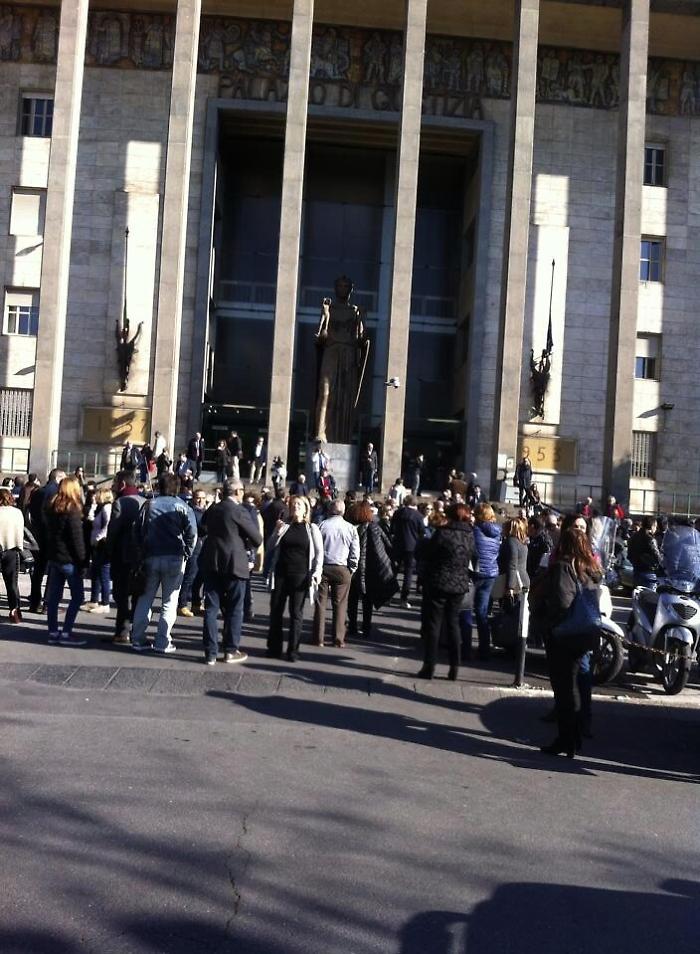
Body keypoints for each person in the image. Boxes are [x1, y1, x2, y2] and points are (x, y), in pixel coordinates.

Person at [529, 527, 602, 759]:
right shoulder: (591, 568)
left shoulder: (564, 566)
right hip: (584, 632)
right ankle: (573, 737)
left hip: (564, 633)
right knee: (574, 685)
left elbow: (562, 601)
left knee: (564, 689)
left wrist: (548, 624)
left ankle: (566, 739)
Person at [130, 473, 198, 654]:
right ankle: (162, 640)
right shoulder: (183, 507)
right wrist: (187, 553)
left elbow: (136, 530)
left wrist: (140, 551)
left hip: (151, 555)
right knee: (169, 601)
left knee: (145, 598)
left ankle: (137, 637)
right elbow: (192, 533)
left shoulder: (149, 504)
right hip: (175, 557)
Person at [198, 479, 263, 666]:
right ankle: (230, 650)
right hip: (235, 563)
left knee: (211, 608)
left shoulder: (214, 509)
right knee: (235, 608)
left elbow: (203, 527)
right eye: (241, 490)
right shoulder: (239, 510)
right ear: (236, 492)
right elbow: (257, 538)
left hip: (212, 561)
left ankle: (210, 652)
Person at [417, 503, 474, 680]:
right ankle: (454, 666)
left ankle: (429, 666)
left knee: (434, 624)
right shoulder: (469, 535)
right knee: (453, 623)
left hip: (439, 581)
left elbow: (428, 553)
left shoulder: (443, 533)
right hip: (459, 584)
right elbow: (473, 555)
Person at [266, 496, 323, 661]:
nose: (295, 507)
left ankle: (293, 650)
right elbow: (270, 547)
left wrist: (316, 572)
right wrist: (276, 532)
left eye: (298, 504)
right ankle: (274, 648)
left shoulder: (311, 529)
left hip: (300, 576)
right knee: (276, 611)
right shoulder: (284, 526)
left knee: (296, 613)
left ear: (306, 509)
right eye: (293, 505)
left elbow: (319, 554)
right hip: (281, 574)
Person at [44, 476, 87, 646]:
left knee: (54, 597)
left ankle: (53, 631)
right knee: (77, 596)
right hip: (69, 560)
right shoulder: (72, 510)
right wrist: (83, 561)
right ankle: (66, 632)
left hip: (55, 557)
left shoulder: (53, 506)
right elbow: (77, 540)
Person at [312, 499, 359, 648]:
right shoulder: (351, 528)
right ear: (343, 511)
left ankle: (318, 638)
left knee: (320, 603)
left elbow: (314, 547)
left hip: (323, 566)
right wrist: (352, 568)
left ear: (330, 510)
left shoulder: (321, 525)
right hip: (342, 567)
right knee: (340, 604)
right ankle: (338, 639)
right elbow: (355, 552)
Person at [346, 500, 396, 639]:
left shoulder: (351, 528)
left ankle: (352, 626)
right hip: (371, 568)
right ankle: (366, 627)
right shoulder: (375, 527)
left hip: (354, 568)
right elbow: (387, 545)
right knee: (367, 600)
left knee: (353, 599)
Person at [107, 471, 145, 645]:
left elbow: (112, 533)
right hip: (141, 557)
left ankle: (122, 631)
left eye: (115, 482)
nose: (112, 485)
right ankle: (136, 631)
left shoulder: (120, 503)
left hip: (122, 557)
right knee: (137, 595)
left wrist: (107, 552)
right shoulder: (146, 502)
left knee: (121, 596)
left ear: (122, 484)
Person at [27, 468, 66, 613]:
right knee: (53, 571)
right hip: (51, 536)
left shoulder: (38, 491)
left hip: (37, 535)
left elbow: (30, 511)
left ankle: (35, 602)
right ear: (59, 477)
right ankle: (48, 604)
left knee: (38, 570)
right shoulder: (57, 492)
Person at [471, 503, 502, 660]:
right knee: (482, 612)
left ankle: (465, 645)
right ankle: (484, 647)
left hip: (475, 572)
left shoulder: (475, 530)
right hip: (491, 573)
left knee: (465, 610)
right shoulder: (497, 532)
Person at [177, 489, 208, 617]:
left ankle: (196, 604)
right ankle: (182, 604)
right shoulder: (192, 511)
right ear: (193, 498)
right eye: (198, 498)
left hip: (204, 546)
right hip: (194, 547)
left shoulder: (204, 511)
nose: (200, 501)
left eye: (203, 498)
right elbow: (203, 527)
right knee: (190, 576)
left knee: (200, 577)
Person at [391, 495, 425, 609]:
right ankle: (403, 599)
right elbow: (422, 532)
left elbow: (392, 529)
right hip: (412, 547)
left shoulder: (398, 513)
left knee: (393, 572)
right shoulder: (418, 516)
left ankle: (388, 596)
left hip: (398, 545)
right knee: (408, 574)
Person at [0, 488, 25, 622]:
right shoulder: (17, 513)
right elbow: (20, 531)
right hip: (12, 549)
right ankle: (14, 612)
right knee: (12, 583)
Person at [87, 488, 113, 613]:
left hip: (102, 544)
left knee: (104, 574)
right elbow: (90, 518)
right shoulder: (99, 508)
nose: (95, 496)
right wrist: (93, 505)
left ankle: (105, 602)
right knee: (95, 572)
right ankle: (94, 600)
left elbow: (108, 525)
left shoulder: (107, 508)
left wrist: (98, 538)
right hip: (96, 544)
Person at [499, 517, 530, 600]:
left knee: (510, 609)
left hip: (515, 583)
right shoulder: (523, 543)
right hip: (523, 580)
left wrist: (510, 587)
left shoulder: (511, 542)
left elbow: (512, 565)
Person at [627, 515, 662, 589]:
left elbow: (629, 554)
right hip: (648, 572)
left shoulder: (634, 536)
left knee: (637, 596)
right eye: (655, 526)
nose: (655, 529)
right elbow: (657, 556)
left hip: (636, 570)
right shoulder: (650, 539)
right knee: (650, 596)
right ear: (652, 526)